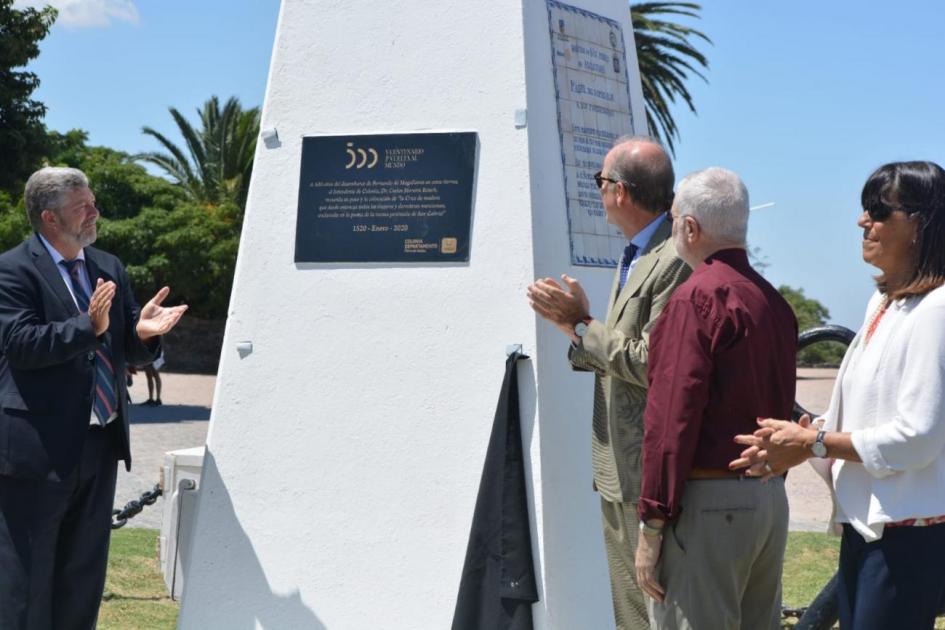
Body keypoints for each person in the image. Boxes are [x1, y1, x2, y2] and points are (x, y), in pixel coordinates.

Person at [731, 161, 945, 629]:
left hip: (906, 539)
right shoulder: (885, 303)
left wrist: (813, 443)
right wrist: (796, 440)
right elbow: (866, 412)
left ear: (919, 223)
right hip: (869, 532)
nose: (861, 220)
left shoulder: (936, 310)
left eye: (877, 209)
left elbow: (918, 437)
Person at [0, 167, 188, 630]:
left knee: (83, 575)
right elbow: (22, 344)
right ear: (49, 217)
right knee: (28, 581)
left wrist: (142, 335)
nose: (94, 212)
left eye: (93, 202)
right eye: (82, 206)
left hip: (99, 446)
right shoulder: (12, 269)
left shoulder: (108, 267)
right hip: (36, 452)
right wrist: (89, 326)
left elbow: (122, 345)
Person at [527, 136, 690, 629]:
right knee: (632, 613)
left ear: (620, 190)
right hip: (619, 467)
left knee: (651, 612)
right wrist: (575, 329)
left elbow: (654, 363)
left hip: (644, 469)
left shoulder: (672, 259)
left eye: (600, 182)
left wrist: (584, 324)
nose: (598, 191)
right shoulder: (638, 252)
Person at [633, 168, 797, 629]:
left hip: (709, 504)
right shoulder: (773, 302)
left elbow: (671, 421)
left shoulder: (695, 299)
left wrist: (652, 521)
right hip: (767, 501)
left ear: (689, 228)